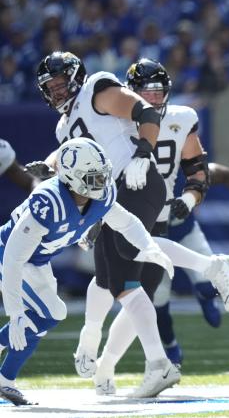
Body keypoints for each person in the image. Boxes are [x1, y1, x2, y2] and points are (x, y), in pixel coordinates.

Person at [35, 51, 229, 397]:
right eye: (49, 88)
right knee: (118, 280)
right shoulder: (63, 124)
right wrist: (49, 166)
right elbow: (72, 153)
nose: (55, 93)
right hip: (111, 196)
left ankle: (154, 360)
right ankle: (133, 360)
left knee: (128, 262)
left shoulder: (97, 88)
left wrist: (143, 155)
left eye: (58, 84)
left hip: (137, 181)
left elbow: (142, 111)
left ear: (74, 78)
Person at [90, 59, 229, 393]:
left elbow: (198, 171)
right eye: (144, 92)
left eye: (158, 92)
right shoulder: (115, 121)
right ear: (129, 93)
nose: (153, 98)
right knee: (133, 296)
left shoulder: (179, 118)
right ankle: (104, 369)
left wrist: (188, 200)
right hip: (131, 205)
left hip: (145, 207)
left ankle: (117, 364)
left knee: (124, 289)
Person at [0, 138, 173, 406]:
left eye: (103, 175)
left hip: (37, 259)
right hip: (9, 255)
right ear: (71, 178)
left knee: (53, 313)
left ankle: (4, 379)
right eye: (93, 177)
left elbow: (127, 222)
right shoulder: (49, 202)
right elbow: (13, 258)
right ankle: (5, 379)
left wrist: (149, 247)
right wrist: (15, 311)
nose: (102, 183)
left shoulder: (101, 196)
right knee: (40, 315)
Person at [156, 161, 229, 366]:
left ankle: (205, 294)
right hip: (154, 245)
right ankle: (171, 346)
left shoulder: (187, 174)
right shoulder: (139, 177)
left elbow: (225, 174)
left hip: (186, 233)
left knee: (207, 279)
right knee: (158, 303)